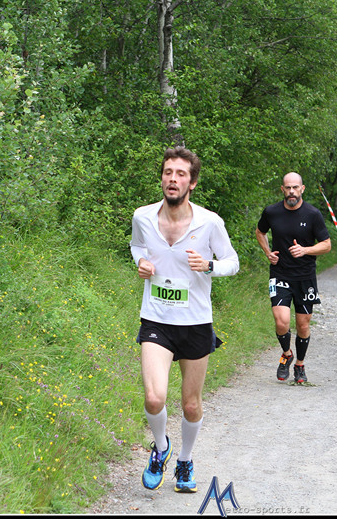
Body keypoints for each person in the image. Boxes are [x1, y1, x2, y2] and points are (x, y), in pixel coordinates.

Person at [130, 147, 239, 493]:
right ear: (162, 178)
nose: (173, 179)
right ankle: (161, 448)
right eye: (168, 172)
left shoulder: (210, 222)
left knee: (191, 405)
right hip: (156, 319)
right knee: (154, 398)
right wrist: (141, 262)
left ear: (192, 183)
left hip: (195, 322)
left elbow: (232, 261)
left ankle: (185, 460)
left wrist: (209, 266)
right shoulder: (143, 217)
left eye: (180, 174)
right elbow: (137, 246)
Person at [255, 172, 331, 384]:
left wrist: (305, 250)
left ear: (302, 189)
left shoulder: (313, 214)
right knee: (281, 321)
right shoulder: (271, 212)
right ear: (282, 189)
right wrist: (267, 252)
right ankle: (287, 354)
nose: (291, 192)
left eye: (295, 188)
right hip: (280, 273)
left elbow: (327, 245)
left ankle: (299, 365)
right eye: (288, 188)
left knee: (303, 325)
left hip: (305, 277)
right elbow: (260, 232)